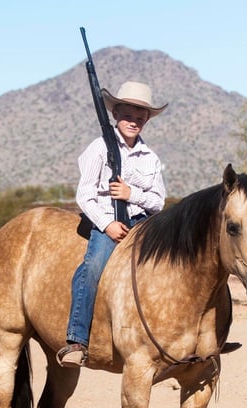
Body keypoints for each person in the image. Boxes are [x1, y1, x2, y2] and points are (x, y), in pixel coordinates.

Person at [57, 81, 169, 367]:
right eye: (129, 115)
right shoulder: (98, 148)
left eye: (140, 116)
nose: (135, 121)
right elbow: (84, 195)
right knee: (92, 267)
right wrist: (107, 225)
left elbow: (158, 201)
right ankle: (77, 341)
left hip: (142, 222)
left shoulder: (151, 158)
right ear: (116, 113)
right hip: (106, 221)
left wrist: (133, 194)